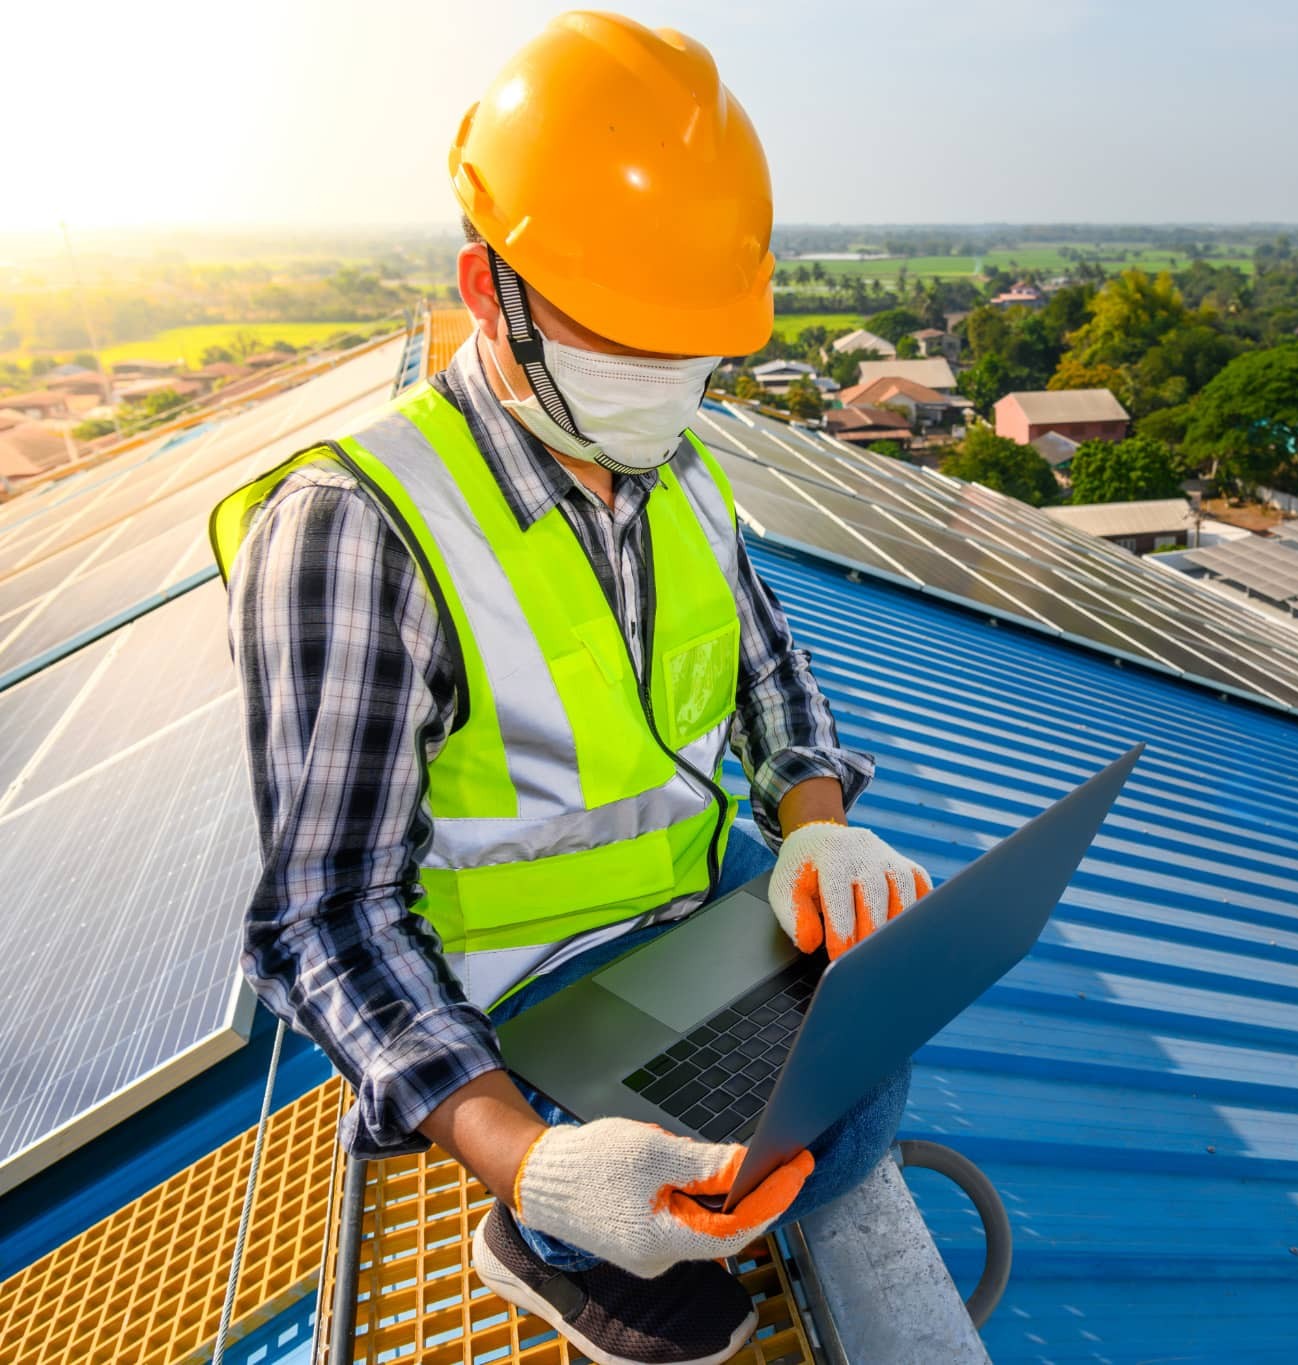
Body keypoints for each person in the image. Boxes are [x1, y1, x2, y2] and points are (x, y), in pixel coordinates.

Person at [211, 14, 929, 1364]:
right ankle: (534, 1229)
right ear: (489, 290)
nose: (663, 380)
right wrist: (529, 1156)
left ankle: (639, 1180)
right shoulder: (360, 530)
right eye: (620, 332)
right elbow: (327, 918)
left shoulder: (687, 474)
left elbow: (773, 675)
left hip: (690, 933)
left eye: (688, 342)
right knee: (740, 1172)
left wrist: (817, 820)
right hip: (510, 1006)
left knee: (861, 1091)